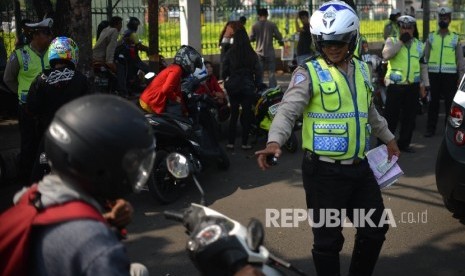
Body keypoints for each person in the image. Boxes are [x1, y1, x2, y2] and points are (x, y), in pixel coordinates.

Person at [255, 2, 400, 275]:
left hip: (360, 169)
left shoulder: (361, 69)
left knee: (375, 229)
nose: (332, 48)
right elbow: (287, 111)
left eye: (340, 43)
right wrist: (274, 141)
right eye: (326, 43)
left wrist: (389, 139)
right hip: (323, 173)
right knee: (328, 241)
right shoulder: (307, 73)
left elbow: (369, 112)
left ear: (353, 39)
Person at [9, 94, 154, 275]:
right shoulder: (98, 247)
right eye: (129, 162)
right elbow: (80, 241)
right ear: (100, 164)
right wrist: (98, 229)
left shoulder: (32, 196)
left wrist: (105, 220)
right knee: (139, 271)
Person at [27, 36, 90, 183]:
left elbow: (31, 108)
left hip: (49, 137)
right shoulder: (81, 79)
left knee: (35, 183)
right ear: (72, 54)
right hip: (76, 138)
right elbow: (91, 107)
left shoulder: (40, 79)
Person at [3, 17, 54, 185]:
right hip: (27, 109)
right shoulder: (20, 55)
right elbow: (9, 79)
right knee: (29, 145)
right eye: (46, 33)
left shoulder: (52, 54)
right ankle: (26, 181)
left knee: (46, 145)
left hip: (47, 108)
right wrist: (21, 93)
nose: (50, 36)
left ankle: (45, 178)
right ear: (36, 35)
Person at [382, 15, 429, 153]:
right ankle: (385, 145)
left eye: (410, 27)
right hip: (395, 86)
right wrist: (401, 42)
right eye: (404, 27)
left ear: (413, 29)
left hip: (412, 87)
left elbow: (423, 66)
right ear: (399, 28)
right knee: (391, 117)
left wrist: (425, 84)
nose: (407, 30)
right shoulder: (392, 41)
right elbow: (386, 55)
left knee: (409, 117)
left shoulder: (419, 45)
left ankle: (404, 144)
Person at [423, 7, 465, 137]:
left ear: (450, 20)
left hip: (450, 76)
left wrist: (461, 77)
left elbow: (460, 60)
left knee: (449, 105)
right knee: (433, 103)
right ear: (438, 19)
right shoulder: (431, 37)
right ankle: (431, 129)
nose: (443, 20)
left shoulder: (454, 38)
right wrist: (425, 79)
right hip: (433, 75)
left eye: (445, 17)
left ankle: (450, 130)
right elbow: (425, 57)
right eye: (441, 17)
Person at [223, 29, 262, 150]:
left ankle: (230, 143)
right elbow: (258, 71)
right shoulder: (251, 53)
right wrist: (256, 84)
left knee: (234, 115)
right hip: (248, 86)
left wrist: (226, 79)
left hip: (234, 86)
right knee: (246, 115)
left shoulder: (230, 52)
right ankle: (245, 143)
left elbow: (224, 69)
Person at [139, 45, 203, 116]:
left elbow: (178, 94)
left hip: (152, 102)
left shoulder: (176, 70)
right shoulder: (176, 70)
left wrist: (185, 111)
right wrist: (175, 98)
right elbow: (166, 89)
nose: (193, 68)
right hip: (150, 102)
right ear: (187, 61)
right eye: (194, 65)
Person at [116, 17, 151, 96]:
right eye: (137, 26)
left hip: (126, 58)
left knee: (132, 74)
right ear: (135, 26)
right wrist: (148, 49)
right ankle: (149, 88)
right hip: (132, 58)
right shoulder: (133, 34)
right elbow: (139, 46)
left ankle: (134, 87)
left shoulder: (126, 32)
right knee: (148, 70)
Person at [249, 8, 284, 88]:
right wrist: (275, 36)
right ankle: (272, 88)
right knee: (271, 72)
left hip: (258, 52)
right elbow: (279, 36)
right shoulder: (272, 24)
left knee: (259, 73)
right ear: (267, 15)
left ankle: (259, 88)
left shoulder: (255, 25)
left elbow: (250, 38)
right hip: (270, 52)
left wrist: (256, 37)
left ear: (258, 15)